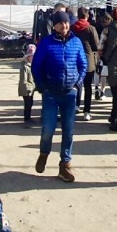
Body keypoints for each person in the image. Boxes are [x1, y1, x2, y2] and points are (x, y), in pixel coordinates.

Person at [32, 11, 87, 183]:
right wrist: (43, 87)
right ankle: (44, 153)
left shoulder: (76, 42)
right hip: (51, 93)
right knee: (48, 129)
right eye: (61, 23)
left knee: (68, 131)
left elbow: (83, 64)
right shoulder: (46, 43)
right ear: (54, 25)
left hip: (70, 93)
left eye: (66, 23)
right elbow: (36, 66)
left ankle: (65, 164)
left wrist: (78, 84)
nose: (64, 26)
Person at [72, 7, 99, 121]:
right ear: (87, 16)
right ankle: (86, 111)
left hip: (74, 59)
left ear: (77, 16)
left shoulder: (72, 28)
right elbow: (96, 45)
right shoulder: (91, 28)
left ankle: (75, 106)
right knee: (88, 87)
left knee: (75, 86)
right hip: (88, 60)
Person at [19, 44, 37, 128]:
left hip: (31, 88)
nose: (32, 58)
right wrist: (27, 88)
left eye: (33, 57)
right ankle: (26, 119)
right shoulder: (25, 67)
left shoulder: (32, 66)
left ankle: (29, 117)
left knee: (30, 103)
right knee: (27, 104)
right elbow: (23, 80)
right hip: (26, 89)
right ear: (27, 57)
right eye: (30, 57)